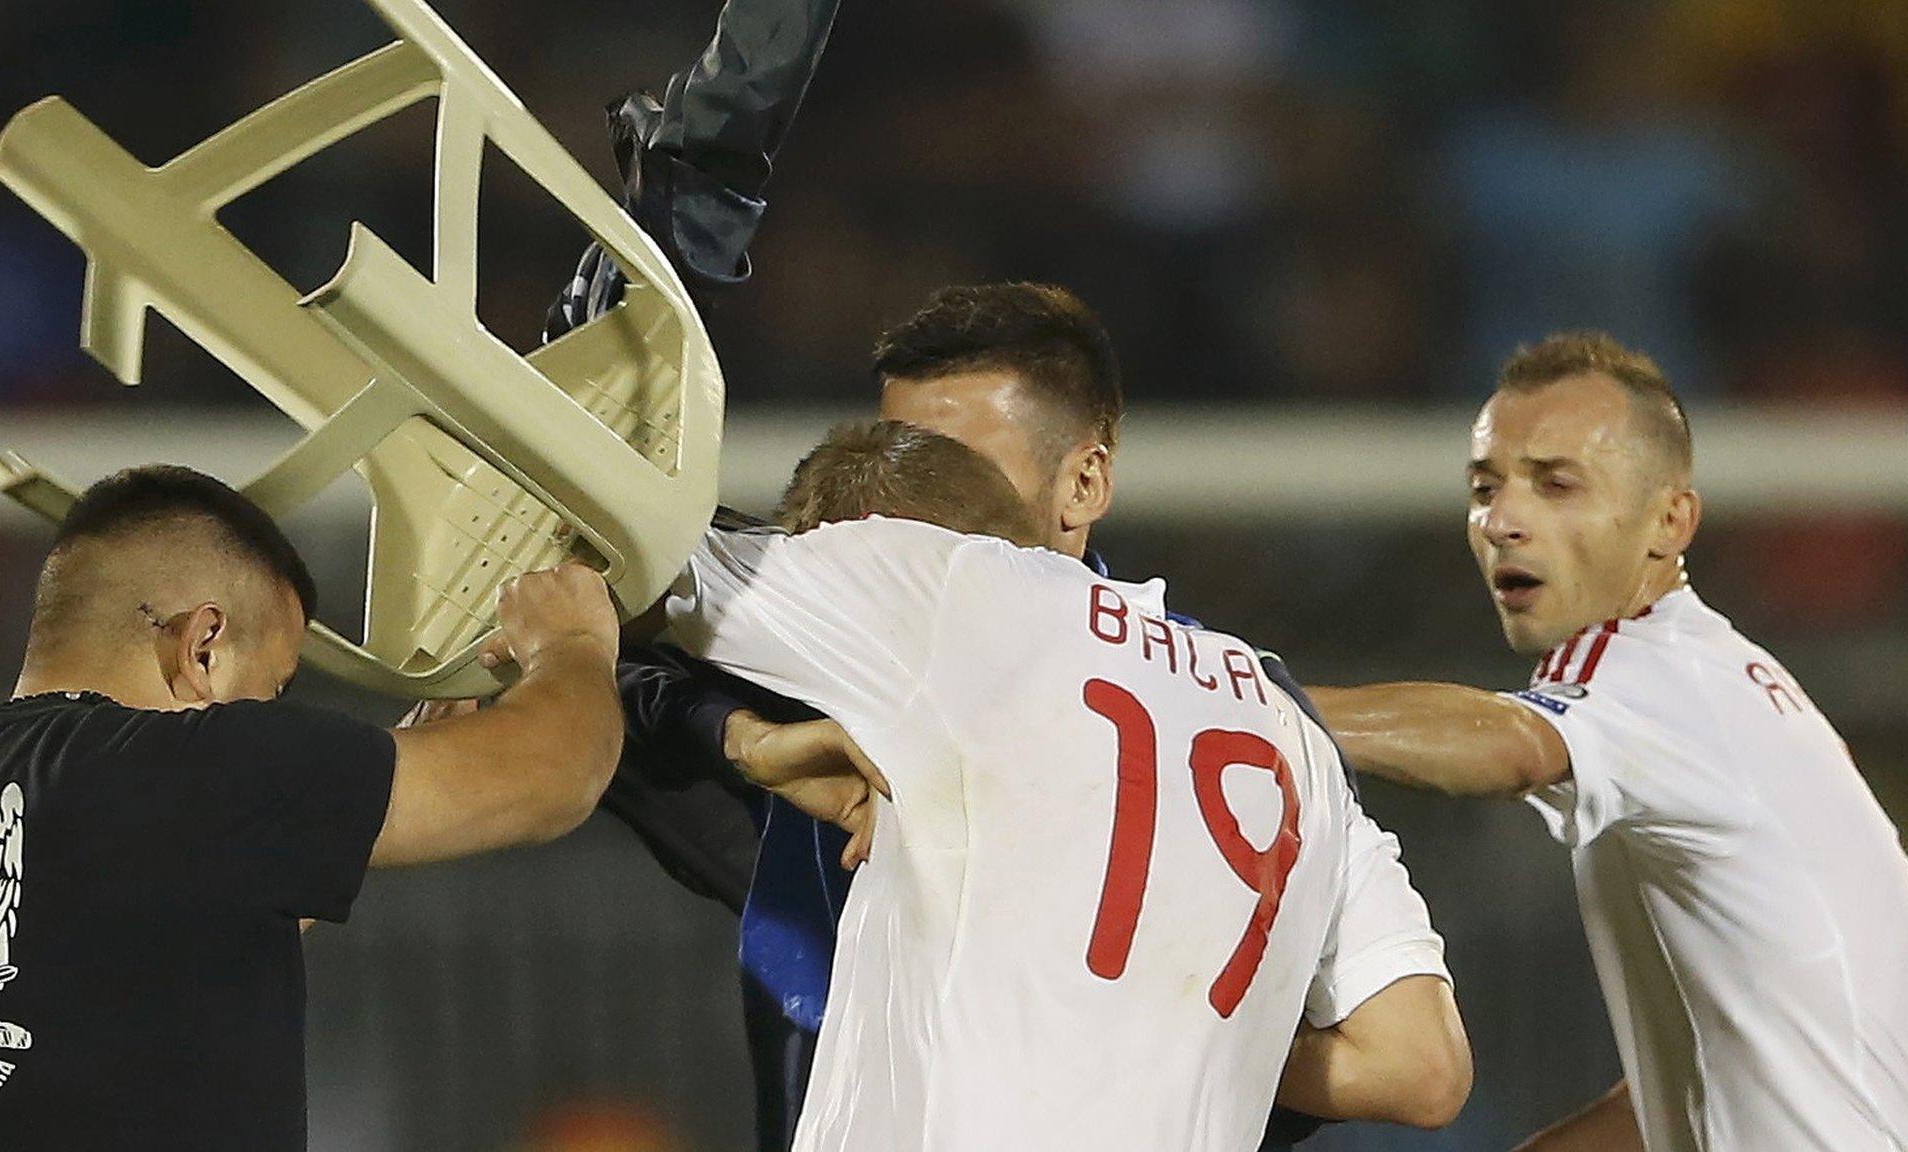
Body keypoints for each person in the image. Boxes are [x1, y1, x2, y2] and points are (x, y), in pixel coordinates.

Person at [602, 282, 1454, 1149]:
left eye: (946, 465)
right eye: (892, 453)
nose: (891, 509)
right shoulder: (1278, 713)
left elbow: (602, 548)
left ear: (1084, 482)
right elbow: (1417, 1061)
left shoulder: (950, 609)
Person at [0, 465, 622, 1151]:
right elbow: (559, 772)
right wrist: (573, 642)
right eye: (276, 684)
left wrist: (367, 794)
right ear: (204, 645)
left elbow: (141, 944)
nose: (269, 710)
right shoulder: (185, 764)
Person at [1305, 332, 1908, 1151]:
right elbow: (1669, 1101)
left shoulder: (1650, 670)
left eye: (1557, 486)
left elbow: (1512, 745)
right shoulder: (1717, 682)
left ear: (1670, 519)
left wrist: (1237, 696)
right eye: (1486, 488)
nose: (1504, 521)